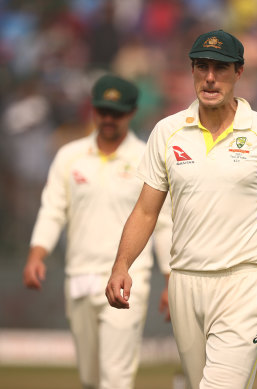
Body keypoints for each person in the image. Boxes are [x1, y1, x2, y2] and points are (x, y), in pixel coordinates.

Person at [104, 29, 257, 389]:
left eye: (220, 68)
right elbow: (145, 212)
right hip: (185, 282)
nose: (210, 78)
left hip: (244, 283)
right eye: (202, 67)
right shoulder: (167, 132)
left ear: (239, 72)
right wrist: (122, 264)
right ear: (192, 70)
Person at [22, 74, 173, 389]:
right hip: (79, 277)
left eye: (116, 112)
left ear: (132, 113)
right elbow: (52, 209)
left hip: (129, 279)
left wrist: (170, 278)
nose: (107, 118)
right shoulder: (69, 157)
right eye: (102, 110)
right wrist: (38, 253)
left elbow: (161, 222)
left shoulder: (147, 157)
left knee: (115, 378)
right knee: (91, 379)